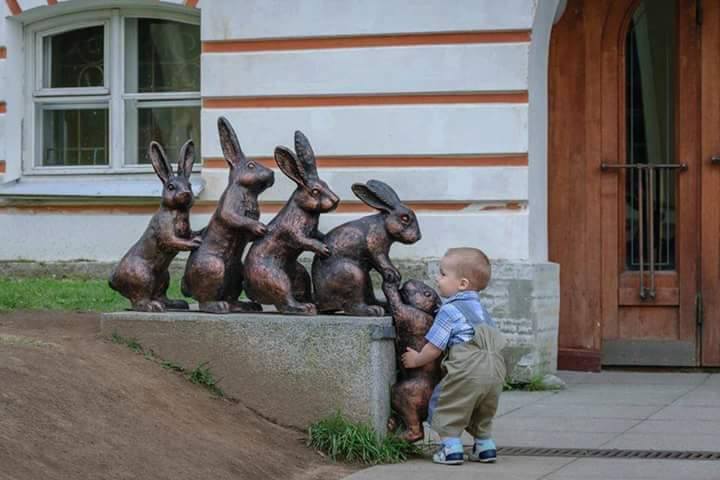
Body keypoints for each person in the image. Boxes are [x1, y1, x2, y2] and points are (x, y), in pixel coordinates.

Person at [401, 247, 506, 466]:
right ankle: (485, 446)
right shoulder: (481, 310)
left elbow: (435, 347)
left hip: (468, 366)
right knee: (482, 406)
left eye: (443, 274)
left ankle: (451, 448)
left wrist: (416, 359)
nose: (437, 279)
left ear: (463, 284)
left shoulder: (449, 310)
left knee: (447, 402)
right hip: (495, 368)